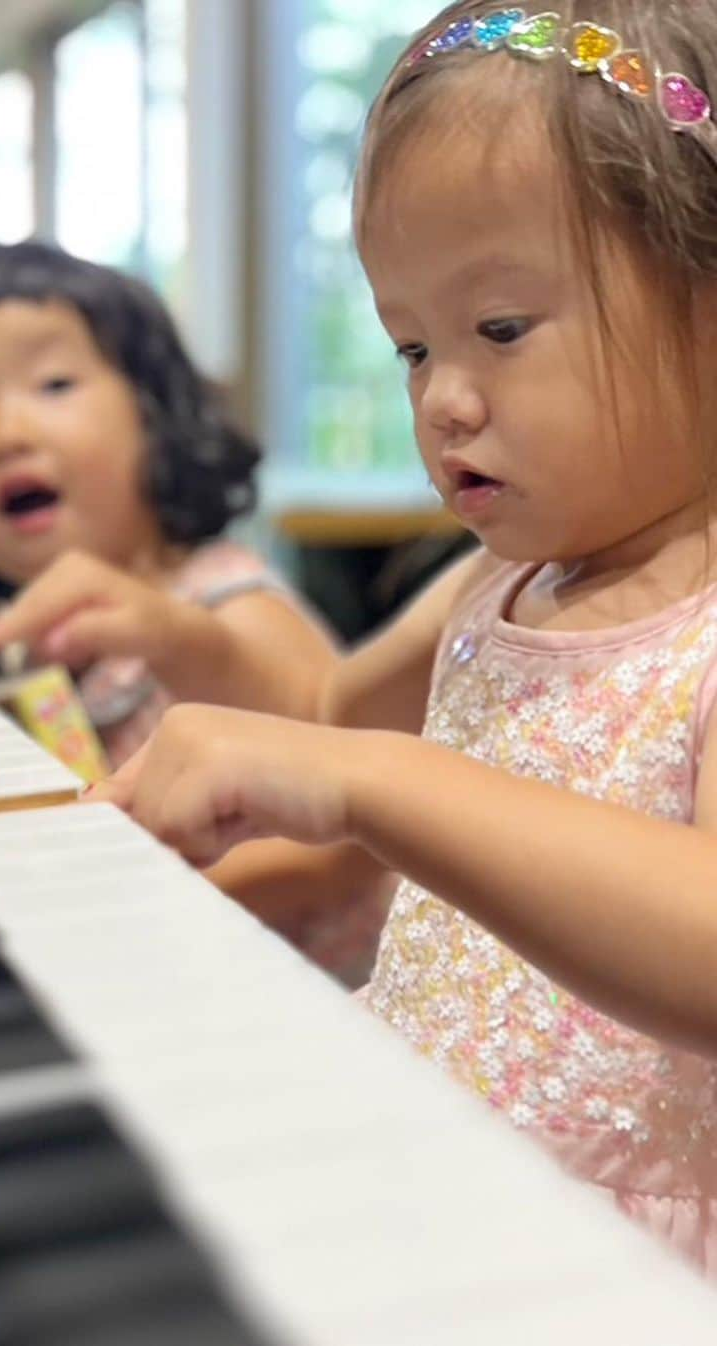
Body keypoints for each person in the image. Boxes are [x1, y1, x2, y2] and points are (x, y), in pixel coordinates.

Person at [93, 1, 717, 1274]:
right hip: (418, 1182)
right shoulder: (490, 589)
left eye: (499, 329)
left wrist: (375, 782)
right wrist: (188, 653)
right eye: (410, 344)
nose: (443, 395)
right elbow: (326, 716)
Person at [0, 242, 390, 978]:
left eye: (54, 384)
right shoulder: (25, 637)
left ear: (157, 415)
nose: (6, 434)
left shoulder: (228, 605)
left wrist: (108, 903)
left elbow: (355, 835)